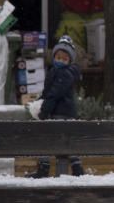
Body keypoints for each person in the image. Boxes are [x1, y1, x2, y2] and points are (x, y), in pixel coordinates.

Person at [30, 35, 84, 178]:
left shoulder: (65, 73)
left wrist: (44, 110)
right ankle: (74, 168)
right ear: (54, 57)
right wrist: (40, 101)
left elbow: (55, 94)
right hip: (57, 111)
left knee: (53, 140)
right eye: (58, 57)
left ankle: (50, 168)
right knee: (61, 141)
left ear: (69, 61)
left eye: (64, 59)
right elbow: (48, 92)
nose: (60, 61)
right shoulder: (54, 71)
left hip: (62, 113)